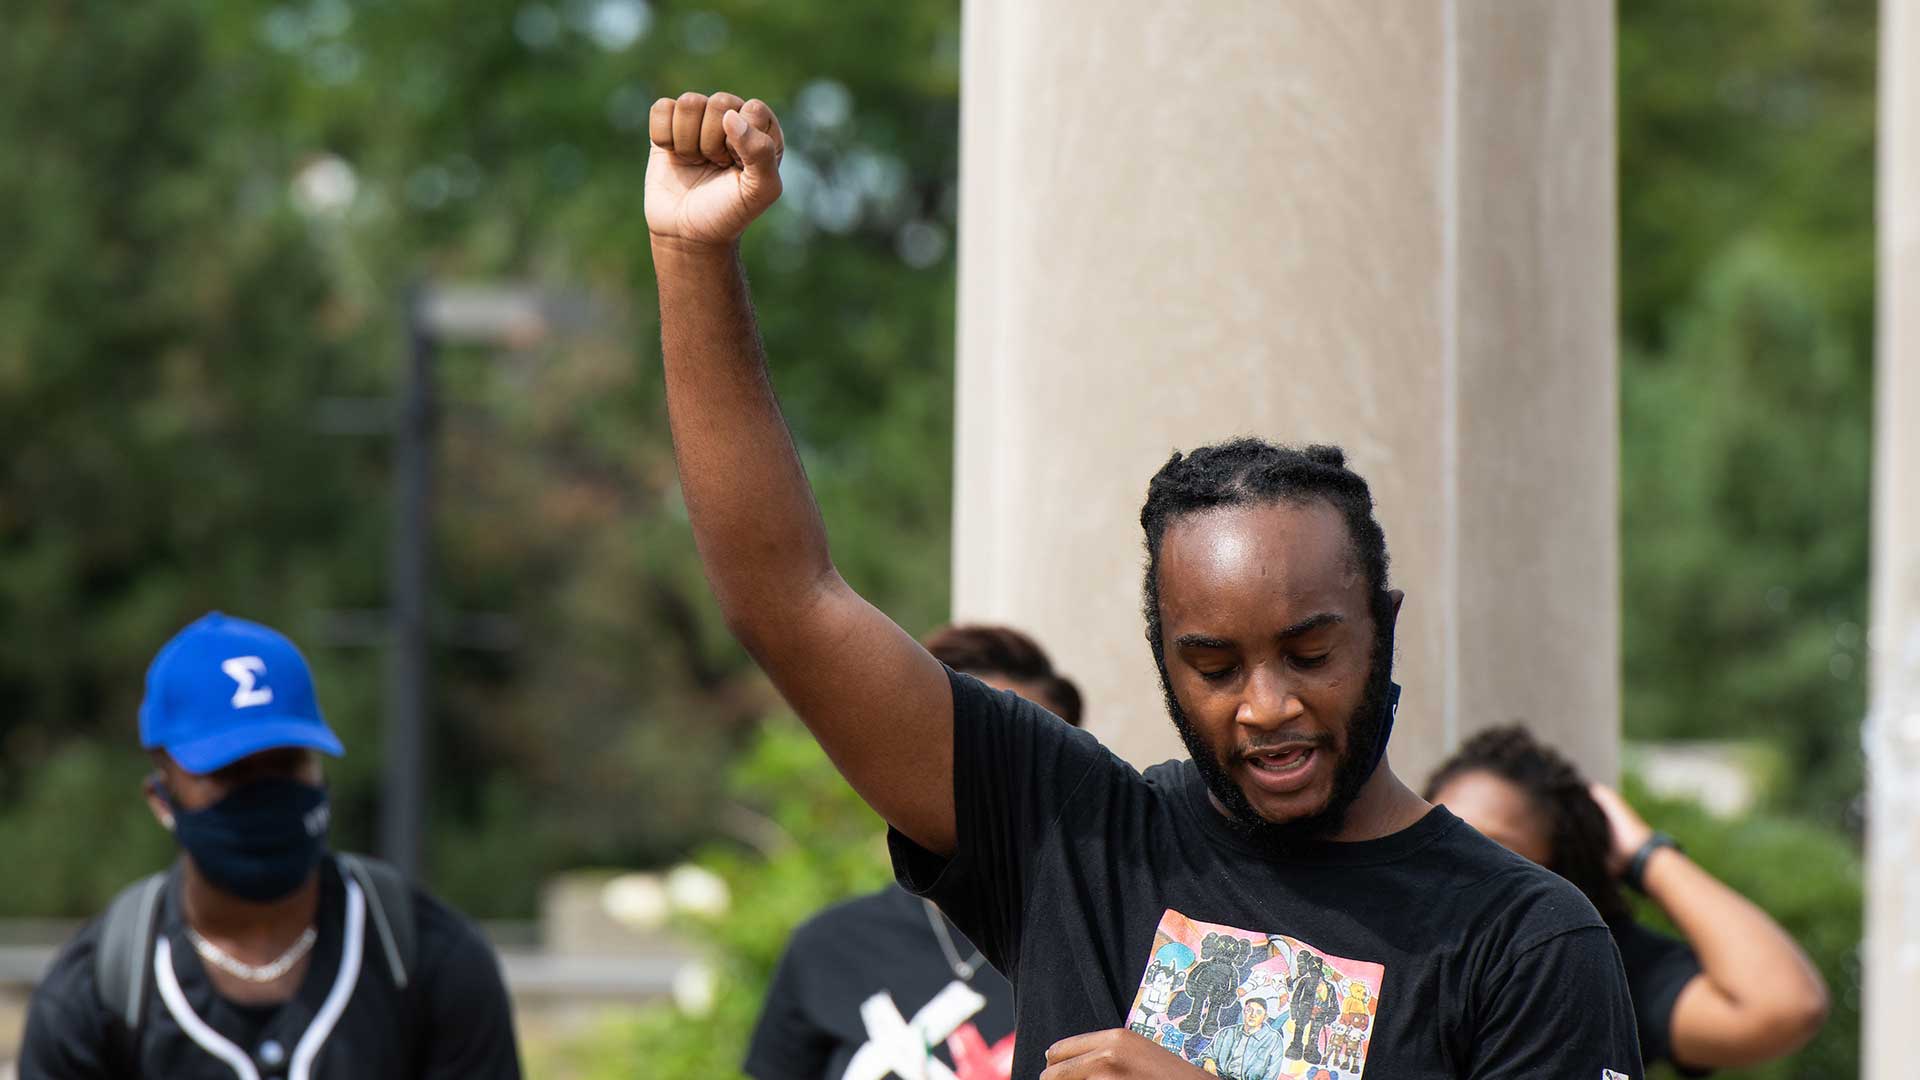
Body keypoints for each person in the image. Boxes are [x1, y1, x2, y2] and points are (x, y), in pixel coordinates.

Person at [645, 89, 1643, 1078]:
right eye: (1213, 664)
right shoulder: (1072, 836)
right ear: (1164, 661)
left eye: (1309, 651)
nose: (1267, 705)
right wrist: (695, 259)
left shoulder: (1526, 942)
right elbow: (790, 601)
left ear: (1382, 630)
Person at [20, 612, 521, 1079]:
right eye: (230, 773)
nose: (264, 792)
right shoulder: (97, 991)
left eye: (286, 763)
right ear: (162, 799)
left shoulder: (426, 957)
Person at [745, 624, 1083, 1080]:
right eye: (964, 754)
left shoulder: (1099, 947)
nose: (991, 786)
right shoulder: (828, 949)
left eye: (1029, 758)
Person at [1425, 725, 1829, 1074]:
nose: (1460, 861)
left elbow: (1785, 1004)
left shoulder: (1590, 966)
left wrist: (1645, 854)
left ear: (1560, 877)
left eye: (1492, 848)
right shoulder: (1381, 927)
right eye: (1443, 834)